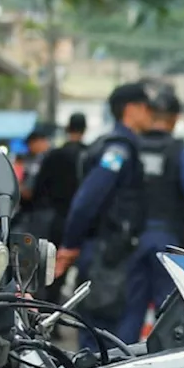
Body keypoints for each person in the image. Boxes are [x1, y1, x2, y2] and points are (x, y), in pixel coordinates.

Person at [57, 82, 154, 348]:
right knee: (107, 339)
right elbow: (86, 200)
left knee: (104, 334)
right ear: (131, 109)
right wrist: (70, 244)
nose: (152, 114)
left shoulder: (122, 146)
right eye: (147, 108)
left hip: (108, 254)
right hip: (107, 257)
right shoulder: (118, 150)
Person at [119, 89, 184, 340]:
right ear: (175, 118)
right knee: (169, 313)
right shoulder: (180, 152)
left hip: (130, 240)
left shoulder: (131, 147)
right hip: (167, 240)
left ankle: (122, 366)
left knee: (130, 312)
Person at [30, 113, 88, 304]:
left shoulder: (54, 155)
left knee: (50, 269)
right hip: (84, 223)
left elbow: (38, 189)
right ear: (84, 129)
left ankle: (48, 311)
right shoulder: (89, 154)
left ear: (67, 129)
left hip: (55, 219)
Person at [17, 127, 52, 236]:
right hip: (45, 211)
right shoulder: (36, 159)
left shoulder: (41, 160)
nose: (29, 147)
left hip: (40, 211)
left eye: (30, 144)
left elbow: (28, 191)